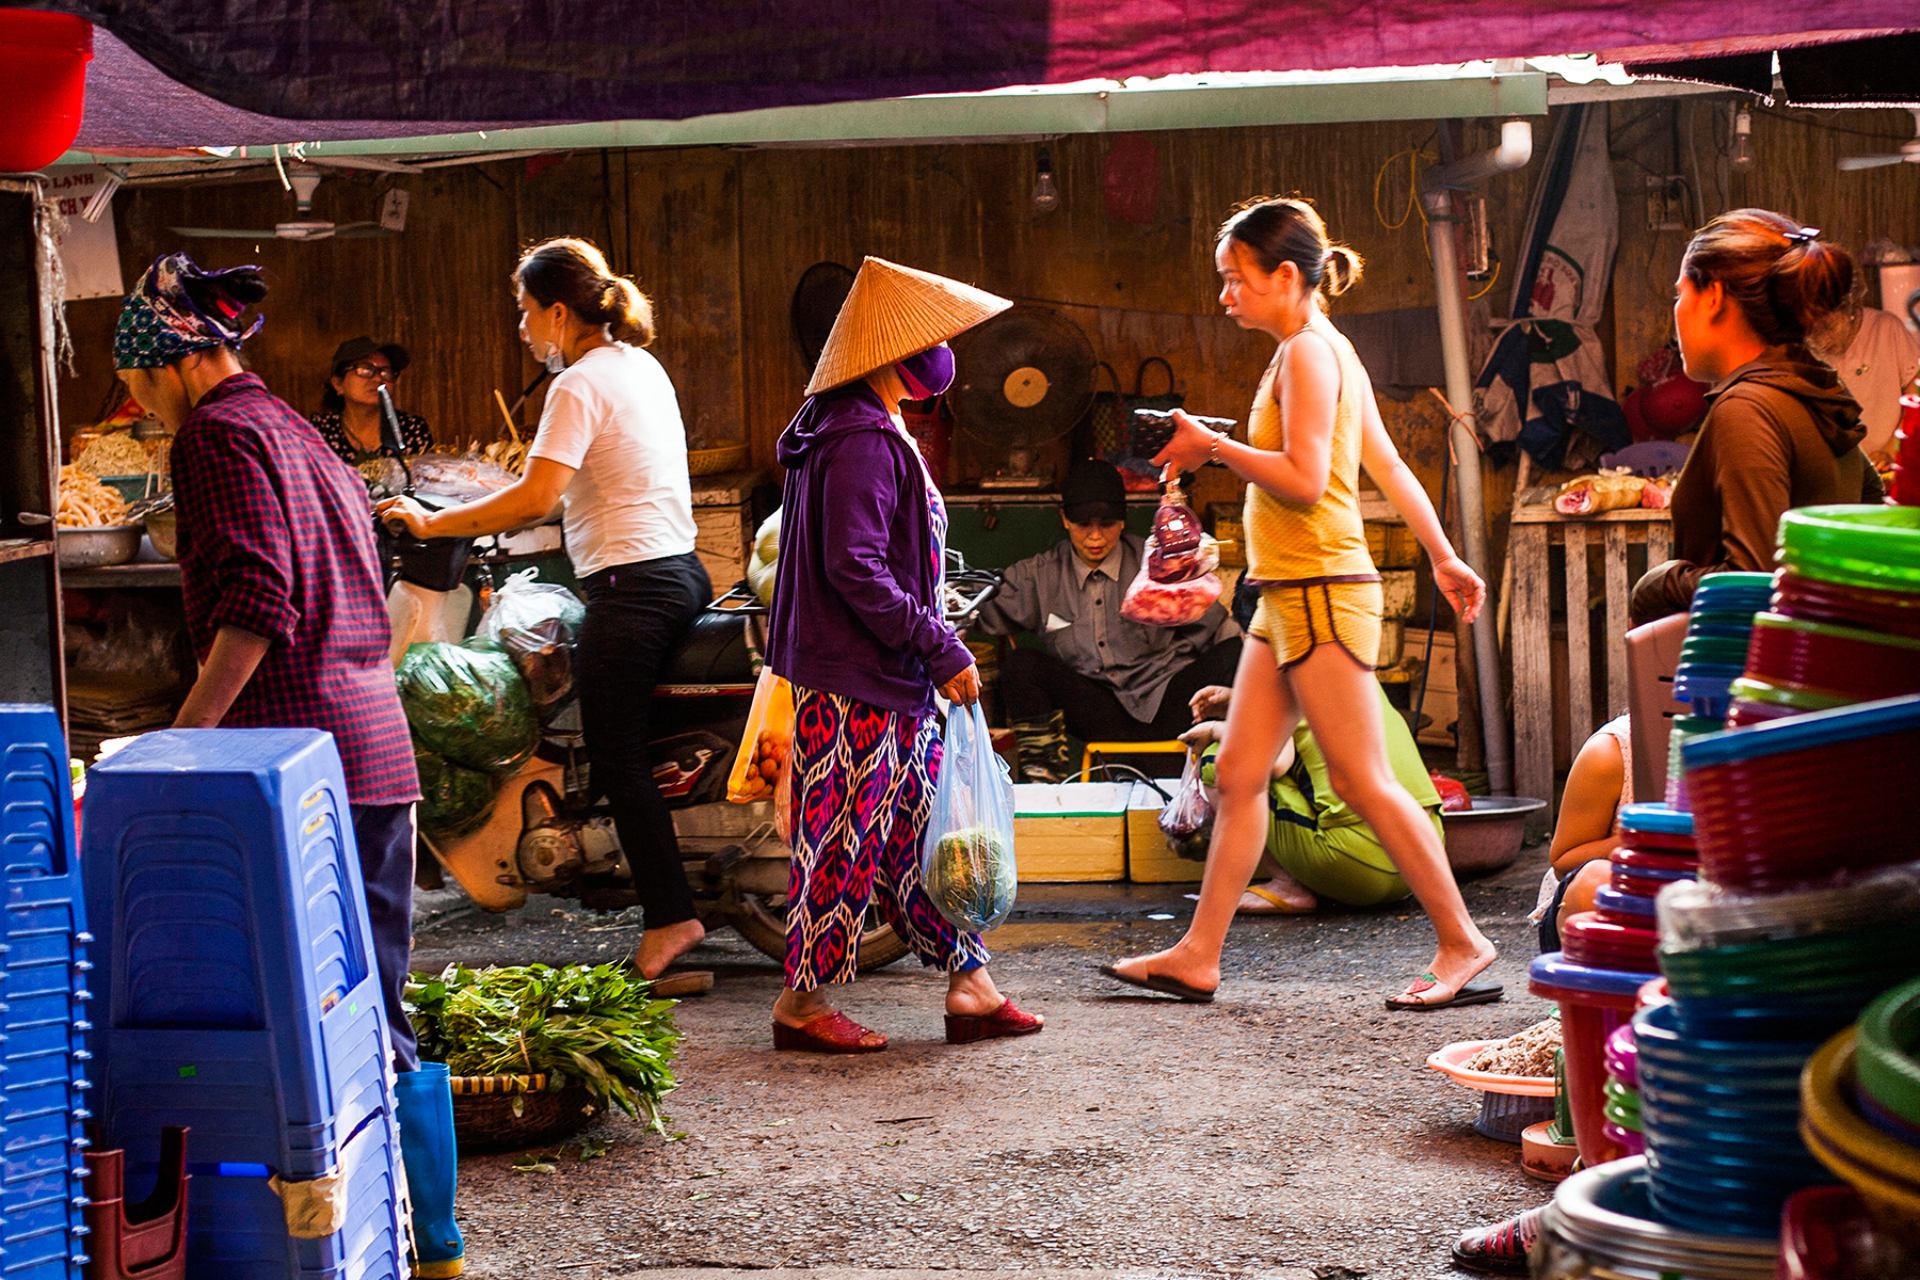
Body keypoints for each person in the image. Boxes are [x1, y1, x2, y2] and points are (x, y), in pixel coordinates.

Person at [113, 252, 463, 1276]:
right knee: (374, 1004)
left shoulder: (216, 436)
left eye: (132, 380)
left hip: (294, 777)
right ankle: (425, 1243)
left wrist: (183, 746)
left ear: (170, 365)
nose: (132, 400)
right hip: (373, 754)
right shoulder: (295, 429)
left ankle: (343, 1236)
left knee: (300, 1016)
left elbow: (255, 603)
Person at [1101, 197, 1496, 1009]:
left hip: (1319, 593)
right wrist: (1445, 554)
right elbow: (1385, 465)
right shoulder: (1319, 352)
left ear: (1285, 275)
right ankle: (1199, 954)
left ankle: (1462, 942)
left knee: (1361, 780)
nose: (1224, 297)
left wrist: (1211, 446)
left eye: (1234, 280)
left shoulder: (1312, 356)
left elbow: (1308, 479)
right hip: (1284, 597)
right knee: (1241, 773)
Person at [378, 237, 711, 985]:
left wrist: (431, 524)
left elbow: (535, 497)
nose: (523, 330)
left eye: (526, 313)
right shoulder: (639, 365)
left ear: (559, 312)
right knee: (629, 744)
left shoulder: (578, 385)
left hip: (632, 590)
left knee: (617, 751)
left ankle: (670, 918)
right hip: (681, 573)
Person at [764, 256, 1043, 1053]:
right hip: (862, 678)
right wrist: (938, 643)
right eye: (932, 338)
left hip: (888, 676)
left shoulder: (866, 425)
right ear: (892, 350)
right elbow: (857, 567)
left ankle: (971, 984)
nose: (943, 351)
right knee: (845, 837)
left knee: (919, 835)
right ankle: (803, 1006)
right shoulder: (858, 436)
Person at [1631, 211, 1880, 626]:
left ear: (1712, 296)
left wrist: (1659, 584)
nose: (1677, 312)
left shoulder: (1747, 408)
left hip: (1755, 676)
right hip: (1820, 662)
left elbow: (1754, 582)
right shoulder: (1813, 387)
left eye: (1680, 294)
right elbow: (1872, 507)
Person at [974, 457, 1241, 781]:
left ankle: (1231, 766)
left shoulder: (1157, 565)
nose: (1096, 537)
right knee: (1023, 665)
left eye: (1107, 524)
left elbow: (1220, 631)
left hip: (1170, 702)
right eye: (1084, 525)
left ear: (1124, 521)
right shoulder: (1039, 576)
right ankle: (1045, 787)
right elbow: (977, 609)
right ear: (1065, 520)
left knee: (1238, 654)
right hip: (1099, 709)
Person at [1180, 681, 1441, 914]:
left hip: (1362, 868)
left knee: (1219, 757)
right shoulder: (1352, 663)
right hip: (1424, 861)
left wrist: (1215, 729)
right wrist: (1241, 698)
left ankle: (1288, 886)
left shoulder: (1285, 671)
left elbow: (1276, 761)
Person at [1811, 298, 1920, 463]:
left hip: (1890, 467)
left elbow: (1915, 394)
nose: (1825, 338)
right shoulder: (1798, 347)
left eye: (1828, 324)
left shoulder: (1884, 327)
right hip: (1840, 475)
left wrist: (1891, 451)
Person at [310, 335, 433, 465]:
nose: (378, 379)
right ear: (338, 384)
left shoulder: (411, 429)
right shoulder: (319, 431)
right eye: (365, 370)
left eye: (386, 372)